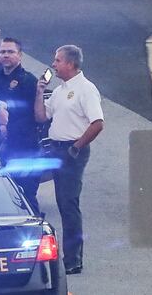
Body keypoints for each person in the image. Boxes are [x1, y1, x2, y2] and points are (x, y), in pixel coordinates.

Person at [34, 45, 104, 275]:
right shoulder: (59, 91)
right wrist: (39, 91)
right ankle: (68, 257)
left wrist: (76, 147)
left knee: (68, 204)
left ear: (71, 64)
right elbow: (41, 116)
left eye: (57, 60)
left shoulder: (86, 89)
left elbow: (97, 123)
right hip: (55, 149)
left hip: (72, 151)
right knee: (61, 201)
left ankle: (73, 259)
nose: (53, 65)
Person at [0, 37, 41, 213]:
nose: (5, 55)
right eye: (3, 52)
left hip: (24, 147)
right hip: (0, 148)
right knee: (4, 197)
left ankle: (38, 234)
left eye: (10, 52)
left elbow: (34, 116)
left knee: (26, 195)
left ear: (20, 55)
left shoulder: (29, 82)